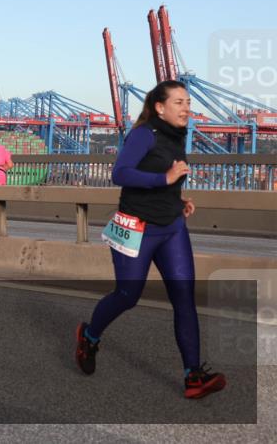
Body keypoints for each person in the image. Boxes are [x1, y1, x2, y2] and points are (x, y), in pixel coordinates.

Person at [75, 80, 226, 399]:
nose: (186, 108)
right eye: (179, 102)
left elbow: (167, 178)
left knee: (184, 298)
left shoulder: (177, 137)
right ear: (160, 107)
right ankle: (89, 336)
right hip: (137, 227)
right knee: (128, 295)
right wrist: (165, 179)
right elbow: (121, 173)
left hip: (171, 227)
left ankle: (192, 375)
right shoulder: (144, 134)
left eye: (188, 102)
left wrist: (178, 196)